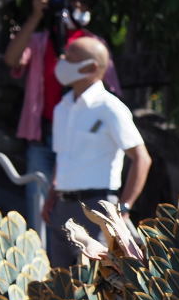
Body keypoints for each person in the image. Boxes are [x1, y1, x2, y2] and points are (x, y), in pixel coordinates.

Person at [3, 0, 121, 189]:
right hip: (43, 136)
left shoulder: (95, 45)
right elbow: (12, 59)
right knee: (39, 205)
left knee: (74, 207)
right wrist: (36, 15)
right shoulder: (41, 40)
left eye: (83, 1)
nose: (77, 4)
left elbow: (111, 90)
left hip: (80, 139)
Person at [46, 35, 150, 266]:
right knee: (63, 281)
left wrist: (124, 207)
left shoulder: (109, 107)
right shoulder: (63, 107)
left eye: (69, 57)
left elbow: (141, 158)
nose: (61, 60)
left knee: (101, 280)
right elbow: (62, 158)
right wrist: (51, 195)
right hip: (63, 206)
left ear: (91, 66)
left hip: (98, 205)